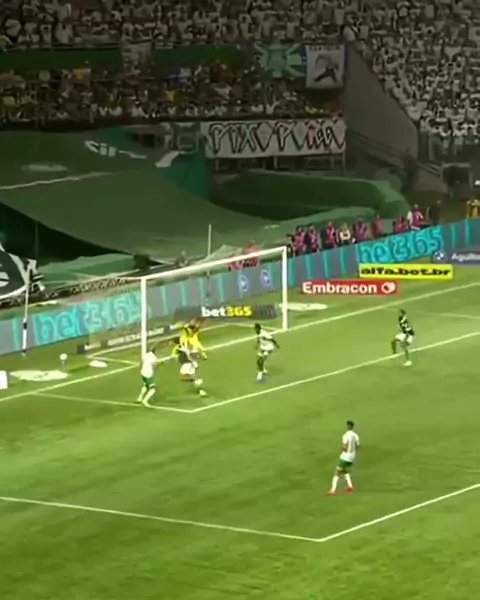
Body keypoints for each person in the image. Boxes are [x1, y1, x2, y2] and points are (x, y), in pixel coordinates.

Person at [327, 420, 360, 495]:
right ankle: (350, 486)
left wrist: (342, 450)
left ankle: (333, 490)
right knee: (343, 470)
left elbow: (344, 447)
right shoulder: (356, 436)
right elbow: (358, 446)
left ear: (348, 426)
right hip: (352, 457)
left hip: (345, 457)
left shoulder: (346, 435)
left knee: (337, 472)